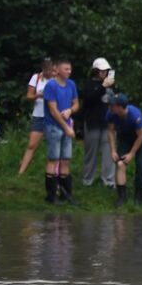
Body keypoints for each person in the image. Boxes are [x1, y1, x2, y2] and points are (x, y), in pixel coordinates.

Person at [42, 58, 80, 204]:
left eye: (70, 69)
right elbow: (52, 110)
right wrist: (66, 127)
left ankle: (66, 194)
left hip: (67, 125)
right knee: (53, 159)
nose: (68, 72)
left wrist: (70, 110)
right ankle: (51, 196)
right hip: (54, 126)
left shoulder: (71, 84)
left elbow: (77, 103)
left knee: (66, 159)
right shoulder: (51, 86)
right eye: (66, 69)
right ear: (57, 69)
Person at [106, 93, 142, 207]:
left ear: (120, 107)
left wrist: (132, 153)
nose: (110, 106)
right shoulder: (111, 113)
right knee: (120, 164)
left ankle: (139, 195)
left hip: (139, 138)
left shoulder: (136, 115)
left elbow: (140, 136)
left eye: (112, 104)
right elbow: (110, 131)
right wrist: (113, 150)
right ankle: (121, 197)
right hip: (124, 137)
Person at [81, 58, 116, 189]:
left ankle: (108, 180)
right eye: (102, 70)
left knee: (109, 152)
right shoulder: (89, 84)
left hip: (107, 123)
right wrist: (103, 87)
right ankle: (88, 179)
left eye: (106, 70)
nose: (104, 73)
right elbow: (89, 99)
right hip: (93, 123)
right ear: (95, 71)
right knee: (91, 153)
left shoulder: (110, 84)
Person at [17, 58, 55, 175]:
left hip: (53, 115)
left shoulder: (57, 79)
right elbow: (29, 95)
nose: (49, 72)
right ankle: (21, 172)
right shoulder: (36, 78)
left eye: (51, 70)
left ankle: (52, 172)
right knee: (32, 144)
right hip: (39, 114)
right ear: (43, 69)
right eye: (47, 70)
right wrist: (38, 95)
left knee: (53, 145)